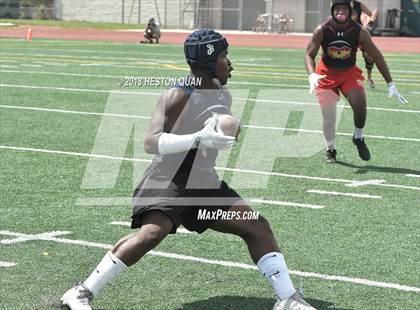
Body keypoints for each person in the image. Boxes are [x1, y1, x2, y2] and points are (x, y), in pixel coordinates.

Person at [61, 28, 316, 310]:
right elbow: (150, 142)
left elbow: (220, 134)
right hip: (168, 180)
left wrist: (229, 131)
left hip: (204, 184)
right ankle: (81, 291)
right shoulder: (177, 95)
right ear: (208, 61)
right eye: (224, 56)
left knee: (256, 226)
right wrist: (196, 138)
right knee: (152, 233)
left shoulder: (222, 93)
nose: (230, 63)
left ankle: (287, 299)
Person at [305, 0, 407, 163]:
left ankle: (358, 137)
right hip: (326, 73)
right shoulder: (322, 29)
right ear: (332, 11)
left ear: (350, 10)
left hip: (349, 72)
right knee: (329, 115)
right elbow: (309, 54)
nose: (341, 12)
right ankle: (330, 149)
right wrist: (311, 74)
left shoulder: (359, 31)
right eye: (337, 9)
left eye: (344, 8)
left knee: (360, 105)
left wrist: (390, 83)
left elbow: (376, 55)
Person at [351, 0, 378, 88]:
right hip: (346, 33)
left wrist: (369, 24)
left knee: (369, 55)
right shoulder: (341, 3)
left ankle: (369, 77)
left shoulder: (359, 5)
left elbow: (372, 14)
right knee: (346, 54)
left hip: (359, 33)